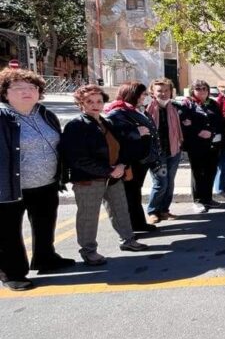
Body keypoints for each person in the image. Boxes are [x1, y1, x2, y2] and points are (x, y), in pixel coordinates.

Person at [0, 69, 75, 291]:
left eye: (32, 88)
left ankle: (45, 258)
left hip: (46, 183)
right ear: (5, 93)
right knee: (7, 232)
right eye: (19, 88)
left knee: (45, 224)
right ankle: (11, 273)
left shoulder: (43, 113)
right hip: (10, 187)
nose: (27, 92)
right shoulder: (2, 117)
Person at [61, 85, 148, 265]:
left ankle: (128, 240)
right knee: (88, 217)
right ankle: (89, 251)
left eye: (99, 101)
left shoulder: (105, 121)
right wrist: (109, 170)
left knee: (120, 209)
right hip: (89, 179)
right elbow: (77, 159)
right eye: (89, 101)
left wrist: (122, 165)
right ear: (80, 103)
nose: (95, 105)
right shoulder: (75, 125)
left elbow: (121, 145)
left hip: (114, 176)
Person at [105, 82, 162, 233]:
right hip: (129, 161)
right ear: (133, 94)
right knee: (129, 195)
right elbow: (117, 136)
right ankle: (130, 228)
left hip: (140, 160)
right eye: (142, 94)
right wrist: (137, 132)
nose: (145, 97)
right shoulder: (117, 112)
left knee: (135, 192)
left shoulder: (133, 110)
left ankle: (138, 224)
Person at [179, 79, 224, 213]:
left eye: (205, 88)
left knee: (211, 171)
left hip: (213, 143)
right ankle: (198, 201)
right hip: (196, 144)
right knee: (198, 172)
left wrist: (212, 132)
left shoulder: (213, 104)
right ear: (193, 90)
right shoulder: (187, 104)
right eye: (199, 89)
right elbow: (184, 123)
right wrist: (198, 131)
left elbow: (219, 121)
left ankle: (208, 198)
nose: (202, 91)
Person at [145, 78, 184, 224]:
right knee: (160, 183)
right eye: (159, 91)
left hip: (173, 150)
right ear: (153, 93)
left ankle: (164, 210)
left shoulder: (173, 107)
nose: (163, 93)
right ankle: (152, 211)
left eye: (166, 90)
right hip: (157, 153)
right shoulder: (148, 109)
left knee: (170, 182)